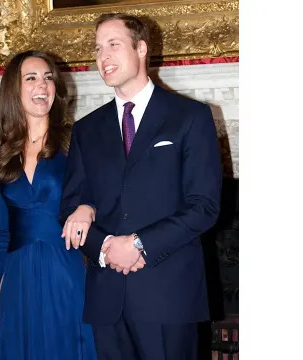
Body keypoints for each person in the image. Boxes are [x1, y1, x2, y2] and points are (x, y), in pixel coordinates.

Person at [60, 13, 222, 359]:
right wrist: (104, 247)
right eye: (98, 48)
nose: (103, 56)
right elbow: (71, 206)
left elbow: (204, 205)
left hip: (169, 296)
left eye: (113, 45)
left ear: (142, 48)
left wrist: (139, 244)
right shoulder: (86, 130)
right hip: (107, 301)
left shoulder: (190, 117)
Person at [0, 50, 97, 360]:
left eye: (47, 78)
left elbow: (102, 197)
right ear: (13, 91)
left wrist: (88, 208)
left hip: (66, 272)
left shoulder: (77, 142)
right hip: (18, 282)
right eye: (30, 78)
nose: (41, 85)